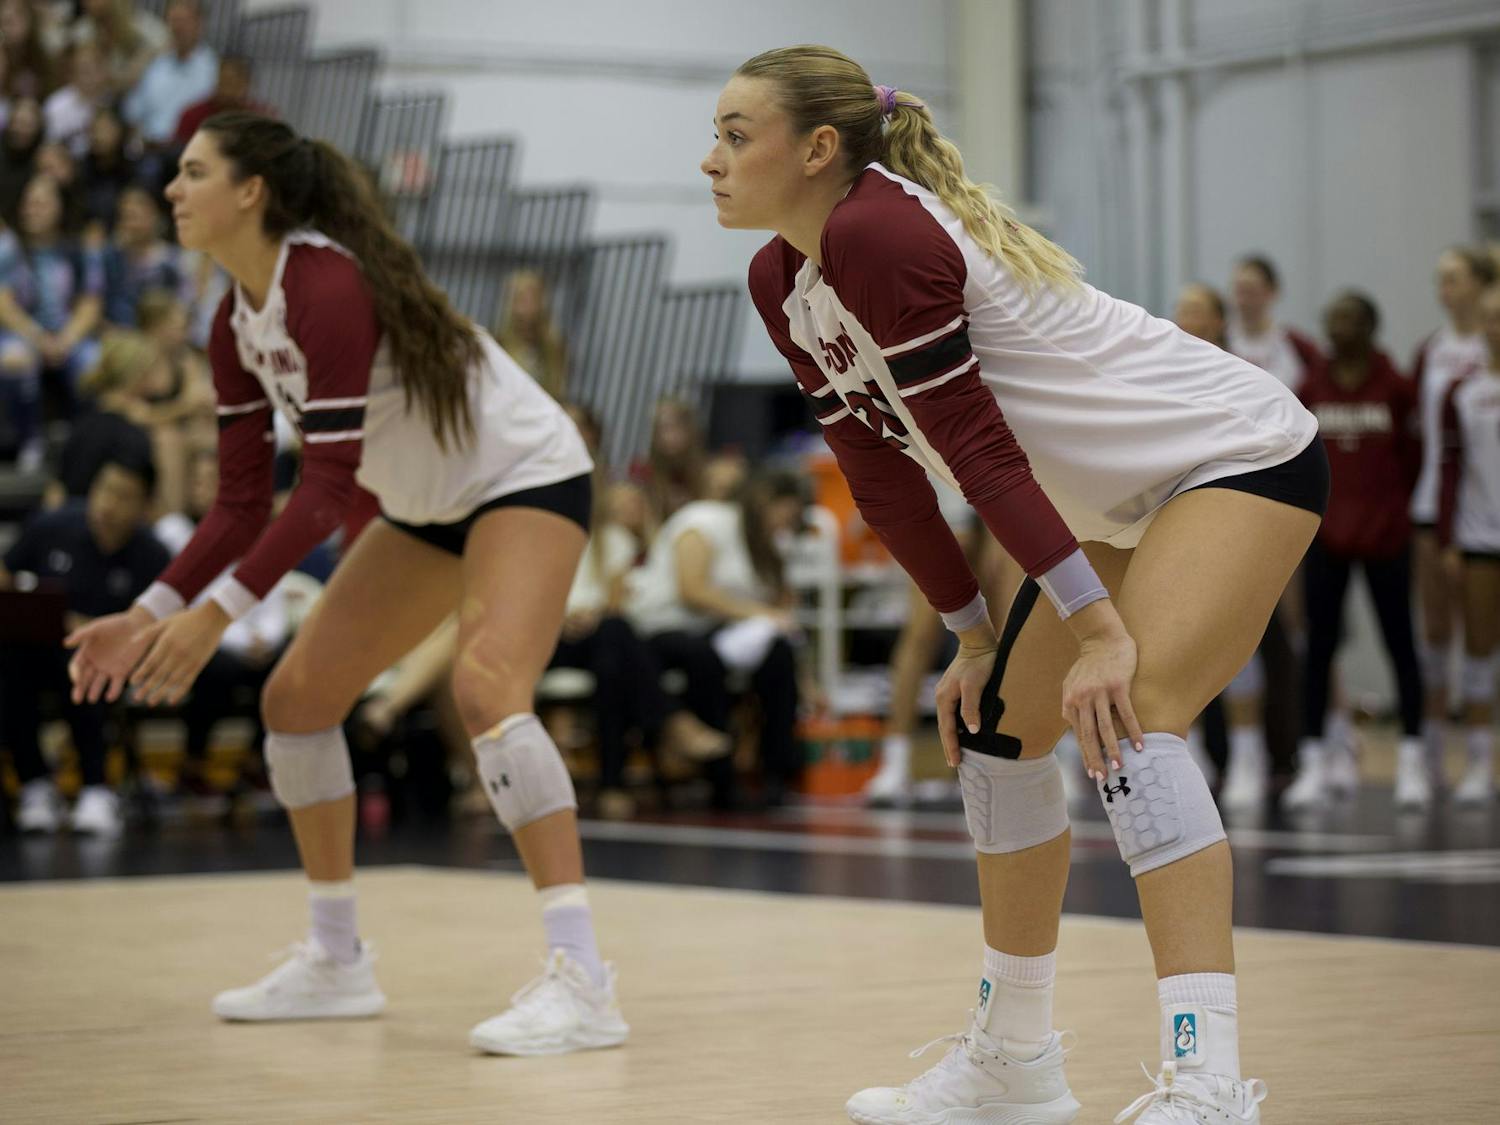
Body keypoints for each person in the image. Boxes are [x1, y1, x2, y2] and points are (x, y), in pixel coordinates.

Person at [709, 46, 1323, 1123]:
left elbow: (979, 454)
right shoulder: (783, 274)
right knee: (997, 736)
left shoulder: (880, 230)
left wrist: (1098, 633)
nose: (710, 158)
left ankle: (1209, 1082)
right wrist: (974, 637)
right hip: (1108, 504)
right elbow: (880, 476)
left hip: (1228, 452)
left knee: (1140, 716)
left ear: (816, 148)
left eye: (734, 133)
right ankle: (1015, 1064)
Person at [64, 112, 628, 1055]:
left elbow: (324, 487)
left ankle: (584, 979)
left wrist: (216, 615)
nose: (171, 189)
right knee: (296, 699)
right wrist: (152, 608)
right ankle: (337, 962)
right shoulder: (230, 318)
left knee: (486, 685)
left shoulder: (324, 281)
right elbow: (241, 504)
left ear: (251, 192)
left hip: (523, 475)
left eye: (193, 172)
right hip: (425, 505)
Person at [1287, 292, 1425, 810]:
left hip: (1387, 537)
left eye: (1346, 318)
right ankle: (1315, 762)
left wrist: (1393, 512)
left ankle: (1410, 762)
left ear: (1369, 325)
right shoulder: (1312, 386)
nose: (1335, 326)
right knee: (1319, 651)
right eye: (1330, 317)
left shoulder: (1396, 387)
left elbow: (1414, 458)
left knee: (1400, 644)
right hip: (1327, 538)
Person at [2, 456, 169, 835]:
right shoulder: (50, 527)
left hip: (113, 662)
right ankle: (35, 785)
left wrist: (95, 631)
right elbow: (7, 571)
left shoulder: (152, 555)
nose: (110, 504)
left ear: (144, 507)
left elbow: (163, 627)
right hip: (36, 652)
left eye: (124, 497)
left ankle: (97, 788)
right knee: (11, 663)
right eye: (105, 491)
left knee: (87, 662)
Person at [628, 469, 809, 808]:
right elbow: (692, 589)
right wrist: (761, 614)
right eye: (786, 514)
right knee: (703, 658)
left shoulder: (766, 548)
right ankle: (719, 774)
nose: (786, 525)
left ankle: (777, 770)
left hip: (715, 631)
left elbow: (781, 608)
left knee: (778, 654)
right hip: (661, 627)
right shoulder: (705, 520)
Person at [1410, 246, 1496, 785]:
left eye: (1455, 279)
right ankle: (1434, 742)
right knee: (1436, 630)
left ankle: (1482, 754)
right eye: (1439, 280)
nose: (1445, 290)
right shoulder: (1433, 352)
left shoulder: (1488, 355)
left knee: (1483, 638)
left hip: (1483, 515)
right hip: (1434, 510)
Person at [1436, 282, 1500, 805]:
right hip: (1480, 537)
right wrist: (1449, 539)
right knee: (1479, 652)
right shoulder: (1465, 390)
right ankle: (1479, 764)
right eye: (1493, 318)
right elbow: (1450, 468)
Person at [0, 171, 104, 467]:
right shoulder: (9, 247)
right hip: (21, 333)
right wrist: (38, 338)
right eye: (28, 203)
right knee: (14, 358)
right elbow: (3, 305)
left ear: (60, 206)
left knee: (93, 363)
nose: (32, 209)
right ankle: (28, 439)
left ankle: (82, 439)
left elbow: (91, 304)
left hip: (69, 335)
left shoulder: (79, 249)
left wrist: (66, 339)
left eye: (42, 203)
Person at [121, 0, 215, 152]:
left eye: (184, 21)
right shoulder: (155, 66)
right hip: (150, 149)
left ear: (200, 23)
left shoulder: (213, 69)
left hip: (192, 150)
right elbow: (133, 112)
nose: (178, 28)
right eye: (173, 21)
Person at [1226, 256, 1322, 394]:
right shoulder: (1217, 342)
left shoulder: (1299, 346)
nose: (1243, 300)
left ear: (1272, 292)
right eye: (1239, 291)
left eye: (1251, 291)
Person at [494, 269, 566, 400]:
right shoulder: (498, 343)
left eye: (533, 298)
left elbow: (557, 388)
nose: (528, 306)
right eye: (521, 299)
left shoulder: (553, 346)